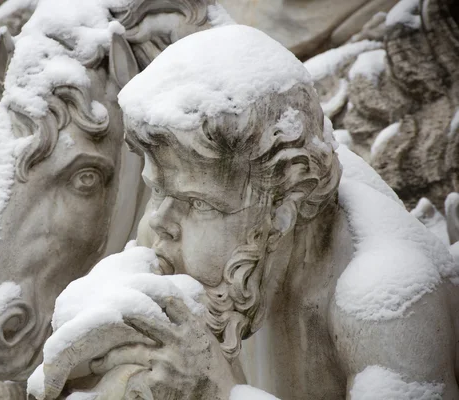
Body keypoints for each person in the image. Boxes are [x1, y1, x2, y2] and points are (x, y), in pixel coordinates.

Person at [32, 24, 459, 400]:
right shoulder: (183, 243)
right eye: (156, 193)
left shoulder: (385, 302)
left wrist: (215, 392)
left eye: (196, 203)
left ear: (282, 208)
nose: (159, 223)